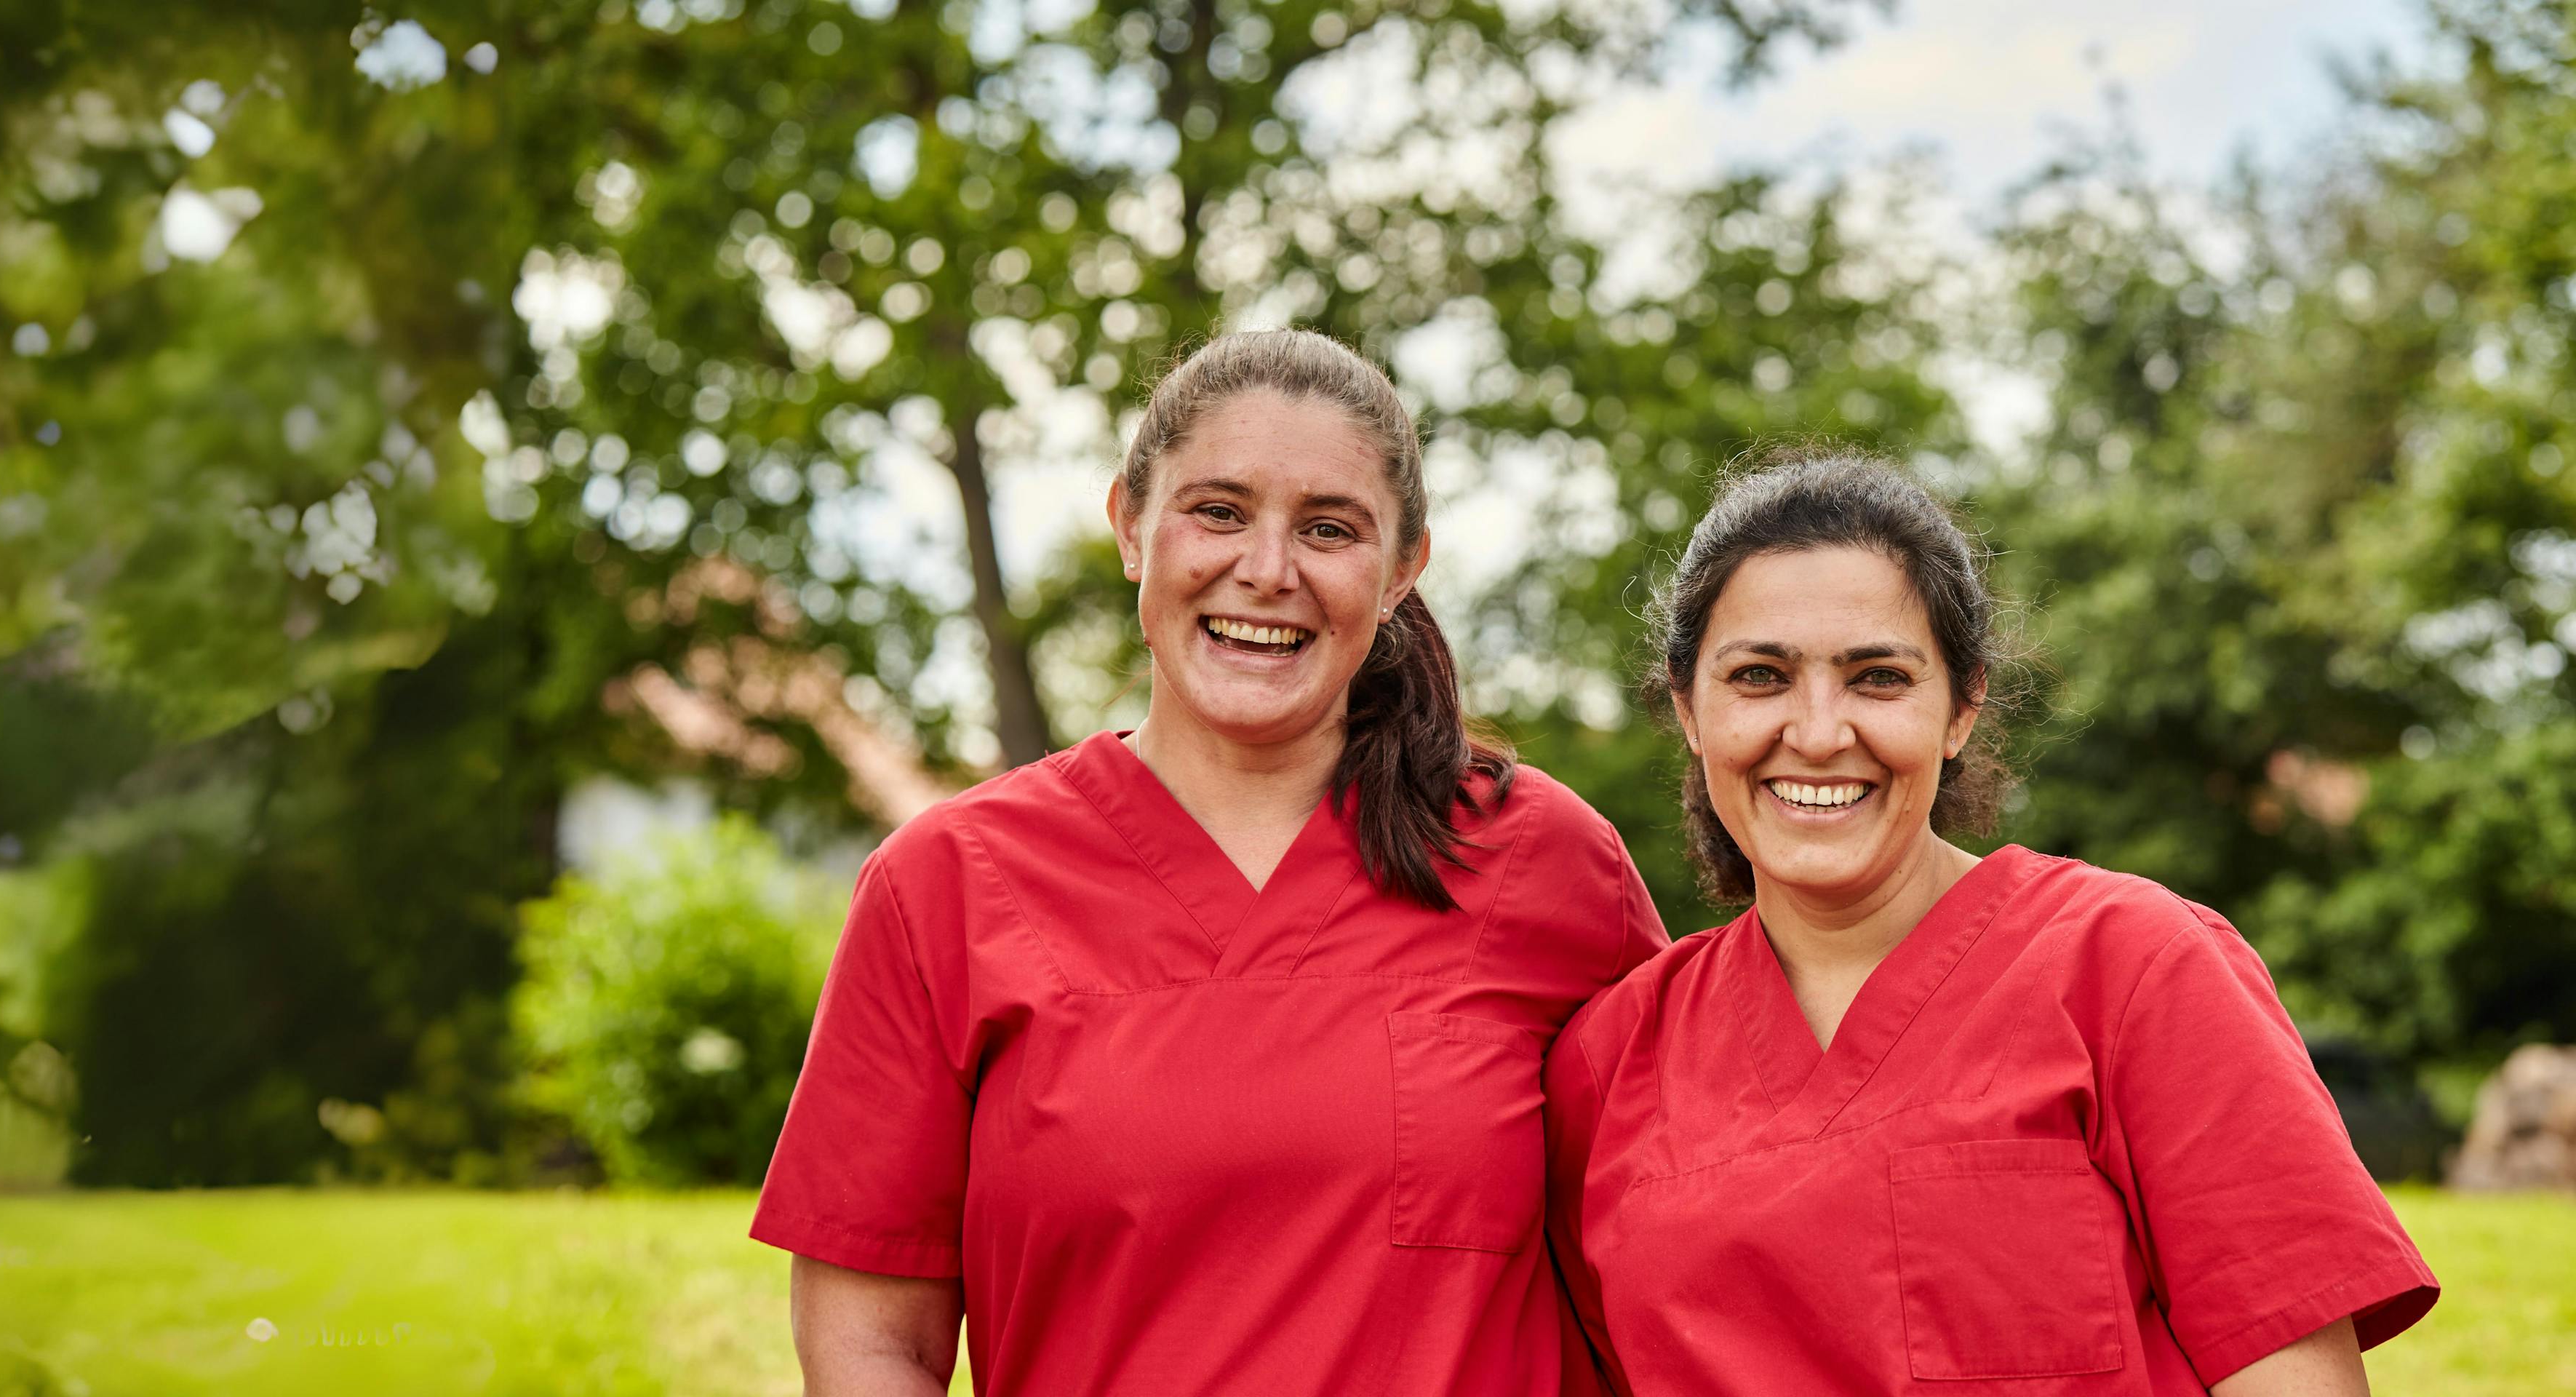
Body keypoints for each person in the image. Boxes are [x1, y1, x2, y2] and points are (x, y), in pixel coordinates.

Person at [754, 327, 1667, 1395]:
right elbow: (872, 1346)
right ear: (1131, 527)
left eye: (1329, 529)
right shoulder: (943, 884)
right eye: (1218, 512)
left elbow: (1688, 1243)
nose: (1266, 571)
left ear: (1400, 571)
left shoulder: (1545, 862)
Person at [1546, 452, 2439, 1395]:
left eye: (1878, 678)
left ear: (1962, 708)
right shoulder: (1607, 1066)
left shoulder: (2136, 965)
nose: (1816, 731)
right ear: (1689, 709)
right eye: (1760, 676)